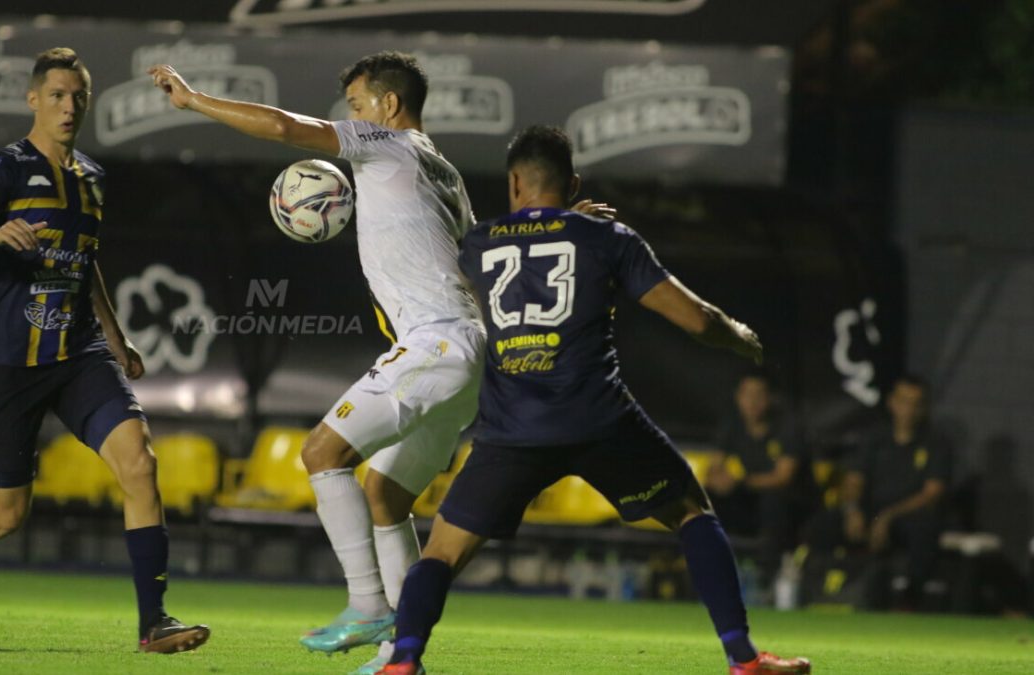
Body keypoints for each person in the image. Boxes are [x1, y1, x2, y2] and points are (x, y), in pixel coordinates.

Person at [377, 126, 811, 675]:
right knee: (693, 515)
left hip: (513, 430)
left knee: (439, 553)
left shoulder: (479, 243)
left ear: (514, 182)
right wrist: (740, 337)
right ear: (573, 181)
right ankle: (744, 660)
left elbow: (504, 267)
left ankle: (403, 661)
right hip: (599, 421)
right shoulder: (608, 238)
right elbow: (696, 320)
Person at [149, 51, 486, 673]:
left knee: (322, 455)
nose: (351, 118)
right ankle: (399, 656)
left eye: (356, 106)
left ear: (387, 106)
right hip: (466, 352)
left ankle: (368, 606)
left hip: (436, 342)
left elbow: (282, 127)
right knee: (384, 494)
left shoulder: (387, 143)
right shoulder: (444, 171)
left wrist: (194, 101)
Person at [0, 48, 209, 654]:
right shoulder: (7, 169)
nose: (68, 107)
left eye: (77, 97)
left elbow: (86, 263)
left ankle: (154, 622)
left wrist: (119, 340)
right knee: (5, 515)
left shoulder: (93, 178)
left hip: (81, 355)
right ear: (33, 100)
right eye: (56, 96)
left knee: (140, 463)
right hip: (11, 362)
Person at [806, 374, 951, 610]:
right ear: (892, 402)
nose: (909, 409)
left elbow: (932, 493)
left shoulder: (936, 442)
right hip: (868, 513)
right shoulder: (874, 438)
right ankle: (819, 591)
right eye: (904, 401)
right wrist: (852, 510)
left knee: (925, 527)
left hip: (906, 516)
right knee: (824, 523)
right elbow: (853, 480)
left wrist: (888, 517)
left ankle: (909, 601)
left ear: (924, 408)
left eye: (916, 403)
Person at [705, 371, 806, 583]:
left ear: (769, 398)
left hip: (790, 507)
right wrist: (718, 480)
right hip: (750, 502)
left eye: (758, 395)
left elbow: (782, 478)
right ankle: (705, 574)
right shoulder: (732, 426)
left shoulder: (788, 427)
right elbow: (714, 468)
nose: (752, 402)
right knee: (706, 499)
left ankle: (767, 580)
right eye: (746, 395)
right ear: (738, 397)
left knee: (773, 500)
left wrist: (739, 482)